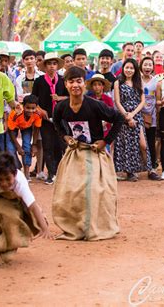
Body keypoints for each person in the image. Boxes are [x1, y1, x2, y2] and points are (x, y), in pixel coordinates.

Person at [52, 66, 124, 240]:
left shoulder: (95, 106)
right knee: (70, 191)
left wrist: (105, 141)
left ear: (84, 84)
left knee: (95, 191)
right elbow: (56, 123)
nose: (75, 85)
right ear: (66, 84)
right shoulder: (61, 108)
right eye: (71, 82)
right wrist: (65, 136)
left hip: (95, 155)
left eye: (78, 81)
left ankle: (95, 227)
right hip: (75, 154)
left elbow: (119, 118)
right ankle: (75, 227)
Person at [0, 151, 51, 263]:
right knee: (7, 216)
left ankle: (12, 241)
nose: (4, 183)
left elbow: (33, 206)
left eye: (8, 179)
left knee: (25, 215)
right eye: (0, 179)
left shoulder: (20, 183)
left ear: (15, 174)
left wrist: (44, 228)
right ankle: (1, 242)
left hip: (16, 197)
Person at [32, 52, 69, 184]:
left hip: (60, 119)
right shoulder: (39, 81)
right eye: (49, 64)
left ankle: (59, 172)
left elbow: (69, 97)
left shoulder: (63, 81)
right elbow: (33, 100)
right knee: (47, 145)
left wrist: (59, 98)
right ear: (45, 66)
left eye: (54, 64)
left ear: (57, 66)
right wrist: (40, 110)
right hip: (45, 119)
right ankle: (51, 173)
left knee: (60, 145)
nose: (52, 66)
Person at [113, 59, 152, 181]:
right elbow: (117, 102)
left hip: (137, 116)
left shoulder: (138, 82)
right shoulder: (118, 82)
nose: (129, 70)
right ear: (123, 68)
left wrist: (133, 115)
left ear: (135, 70)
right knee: (127, 145)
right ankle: (130, 171)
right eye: (127, 67)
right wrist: (126, 115)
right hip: (123, 117)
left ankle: (150, 169)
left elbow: (142, 101)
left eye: (131, 68)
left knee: (143, 145)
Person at [6, 94, 42, 180]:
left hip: (27, 127)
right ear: (23, 106)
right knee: (10, 148)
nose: (30, 110)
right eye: (28, 108)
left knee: (27, 146)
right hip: (13, 129)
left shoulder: (37, 114)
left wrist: (34, 144)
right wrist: (18, 147)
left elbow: (36, 129)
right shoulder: (16, 113)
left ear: (36, 107)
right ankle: (16, 170)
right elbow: (10, 131)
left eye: (33, 108)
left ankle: (26, 173)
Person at [140, 56, 160, 180]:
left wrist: (158, 115)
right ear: (141, 66)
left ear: (153, 67)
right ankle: (137, 168)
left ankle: (152, 168)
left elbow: (157, 100)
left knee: (151, 142)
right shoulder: (136, 80)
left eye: (150, 65)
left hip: (151, 117)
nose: (147, 67)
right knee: (139, 143)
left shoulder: (156, 81)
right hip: (138, 115)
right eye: (145, 64)